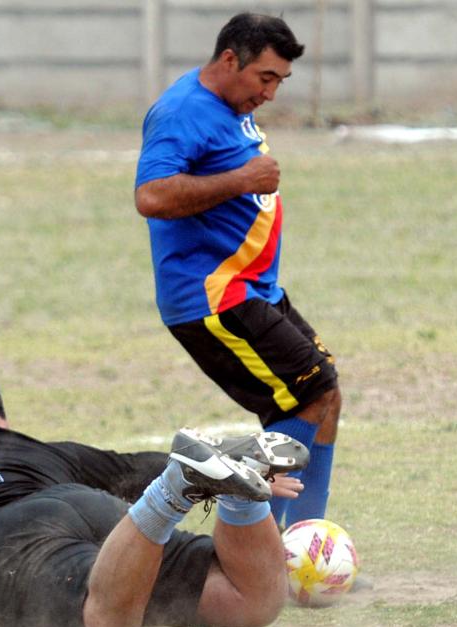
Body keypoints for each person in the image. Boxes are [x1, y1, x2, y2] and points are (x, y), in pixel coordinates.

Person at [0, 369, 310, 627]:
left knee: (104, 622)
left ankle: (173, 493)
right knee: (247, 601)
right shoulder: (37, 450)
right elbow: (130, 468)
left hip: (5, 544)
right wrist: (222, 477)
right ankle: (238, 500)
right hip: (85, 505)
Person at [133, 11, 341, 529]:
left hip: (254, 289)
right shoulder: (182, 111)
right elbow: (151, 195)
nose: (270, 93)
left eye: (280, 81)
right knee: (311, 397)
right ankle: (262, 556)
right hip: (213, 298)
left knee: (326, 398)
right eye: (265, 78)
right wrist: (242, 177)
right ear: (230, 60)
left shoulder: (230, 104)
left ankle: (301, 539)